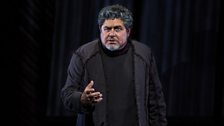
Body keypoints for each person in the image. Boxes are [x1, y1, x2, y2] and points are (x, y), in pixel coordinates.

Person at [61, 4, 167, 126]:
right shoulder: (83, 55)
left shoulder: (143, 55)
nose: (111, 34)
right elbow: (67, 94)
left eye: (117, 29)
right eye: (107, 29)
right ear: (100, 30)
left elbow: (156, 102)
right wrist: (82, 99)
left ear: (128, 31)